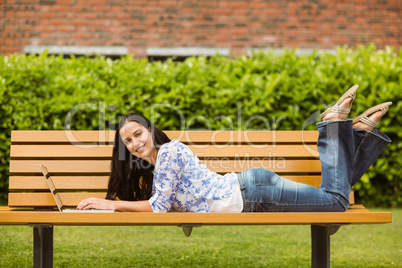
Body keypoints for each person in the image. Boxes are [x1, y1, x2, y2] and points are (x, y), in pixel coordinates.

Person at [77, 85, 392, 213]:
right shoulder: (163, 161)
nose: (134, 144)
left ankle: (334, 126)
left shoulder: (169, 152)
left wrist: (111, 205)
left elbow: (159, 207)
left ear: (150, 130)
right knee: (334, 203)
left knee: (336, 204)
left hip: (252, 192)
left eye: (137, 134)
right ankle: (359, 132)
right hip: (250, 191)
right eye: (128, 141)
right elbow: (171, 201)